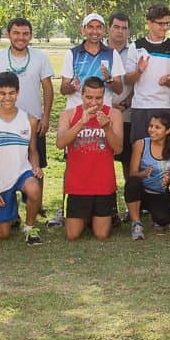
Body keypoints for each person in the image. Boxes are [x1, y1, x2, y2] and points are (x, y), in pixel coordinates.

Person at [0, 72, 44, 245]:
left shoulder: (30, 120)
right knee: (3, 235)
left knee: (34, 188)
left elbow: (33, 151)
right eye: (3, 93)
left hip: (22, 172)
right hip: (0, 179)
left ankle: (30, 228)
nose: (7, 98)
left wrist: (35, 166)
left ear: (18, 92)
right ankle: (11, 211)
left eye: (12, 93)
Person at [56, 77, 124, 241]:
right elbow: (60, 143)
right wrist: (81, 123)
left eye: (98, 98)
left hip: (103, 184)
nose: (93, 102)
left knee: (101, 235)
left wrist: (106, 127)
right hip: (77, 185)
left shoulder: (113, 114)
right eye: (89, 97)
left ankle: (103, 215)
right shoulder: (69, 114)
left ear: (104, 96)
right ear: (82, 95)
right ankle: (86, 216)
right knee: (73, 235)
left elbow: (118, 148)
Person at [0, 17, 54, 170]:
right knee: (1, 168)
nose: (21, 37)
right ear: (8, 34)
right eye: (16, 33)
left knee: (35, 168)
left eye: (25, 33)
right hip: (3, 123)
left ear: (31, 35)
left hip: (33, 122)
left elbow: (48, 88)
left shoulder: (40, 57)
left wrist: (46, 116)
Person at [126, 4, 170, 151]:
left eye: (167, 24)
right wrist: (139, 71)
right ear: (149, 23)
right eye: (160, 24)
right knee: (139, 150)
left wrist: (168, 81)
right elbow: (128, 79)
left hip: (164, 106)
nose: (164, 28)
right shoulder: (136, 46)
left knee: (165, 151)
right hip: (141, 107)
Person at [125, 113, 170, 239]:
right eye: (151, 126)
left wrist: (169, 179)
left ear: (168, 131)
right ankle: (136, 223)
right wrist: (143, 174)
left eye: (157, 127)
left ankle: (156, 216)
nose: (151, 130)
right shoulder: (141, 144)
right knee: (132, 183)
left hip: (159, 193)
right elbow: (132, 174)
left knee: (163, 220)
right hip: (141, 191)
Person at [60, 13, 126, 109]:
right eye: (90, 27)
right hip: (76, 111)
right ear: (83, 30)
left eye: (99, 27)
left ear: (104, 31)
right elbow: (63, 90)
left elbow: (119, 90)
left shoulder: (112, 54)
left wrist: (108, 79)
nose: (95, 31)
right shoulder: (72, 54)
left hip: (103, 112)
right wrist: (73, 87)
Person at [107, 12, 135, 188]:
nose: (120, 31)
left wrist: (124, 104)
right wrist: (107, 105)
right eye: (116, 27)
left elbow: (138, 82)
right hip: (101, 113)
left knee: (128, 162)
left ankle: (131, 201)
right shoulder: (99, 51)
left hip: (126, 114)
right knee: (102, 161)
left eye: (124, 28)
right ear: (108, 29)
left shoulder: (134, 52)